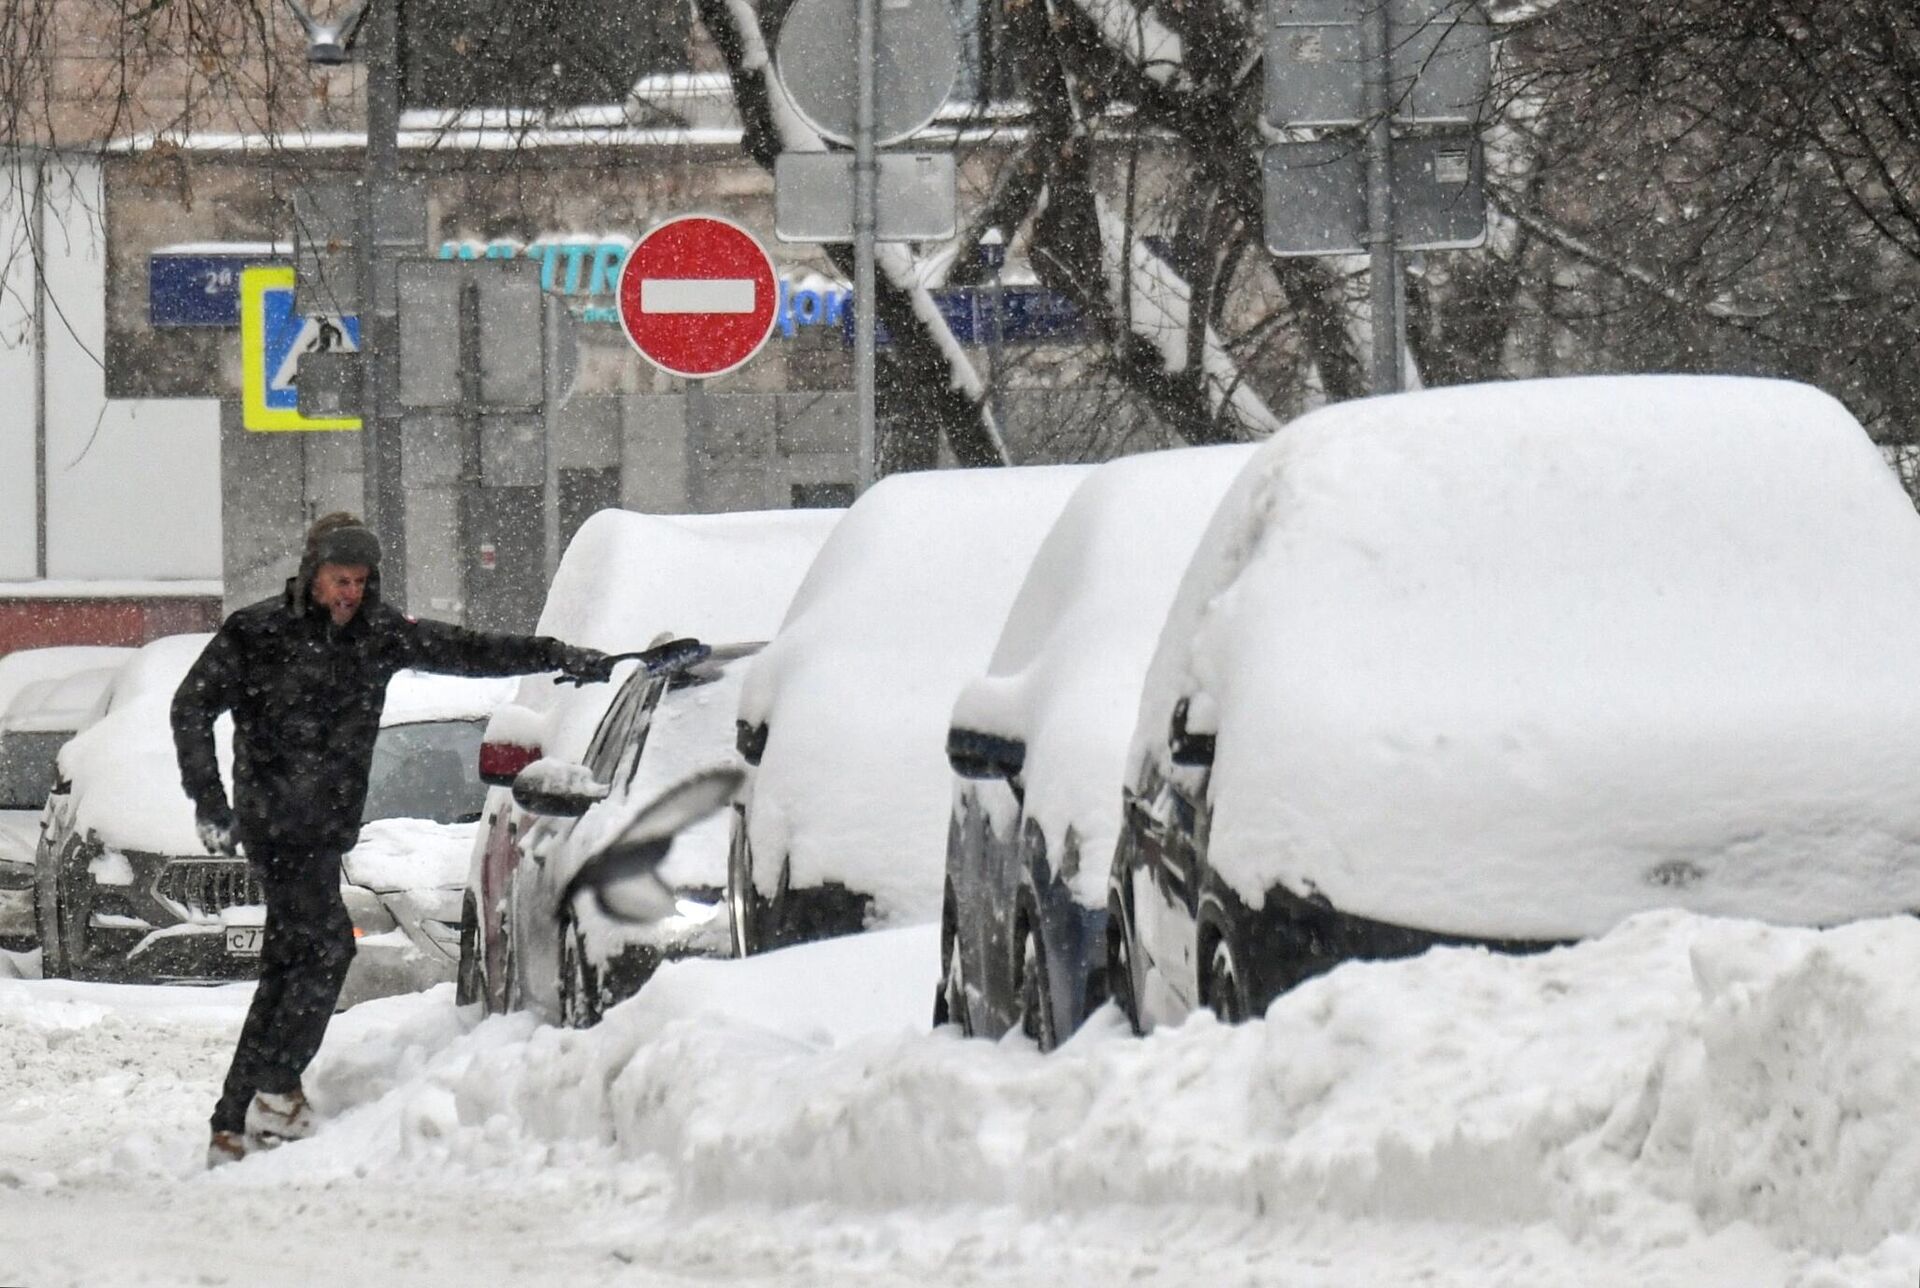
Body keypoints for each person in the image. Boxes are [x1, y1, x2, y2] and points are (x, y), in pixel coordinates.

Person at [172, 513, 611, 1168]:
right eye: (336, 579)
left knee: (289, 963)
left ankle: (236, 1118)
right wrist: (210, 800)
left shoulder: (379, 635)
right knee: (322, 949)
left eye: (358, 580)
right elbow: (191, 705)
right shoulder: (258, 633)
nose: (348, 592)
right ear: (312, 574)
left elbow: (467, 649)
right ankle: (274, 1088)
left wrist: (556, 656)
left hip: (327, 827)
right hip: (274, 821)